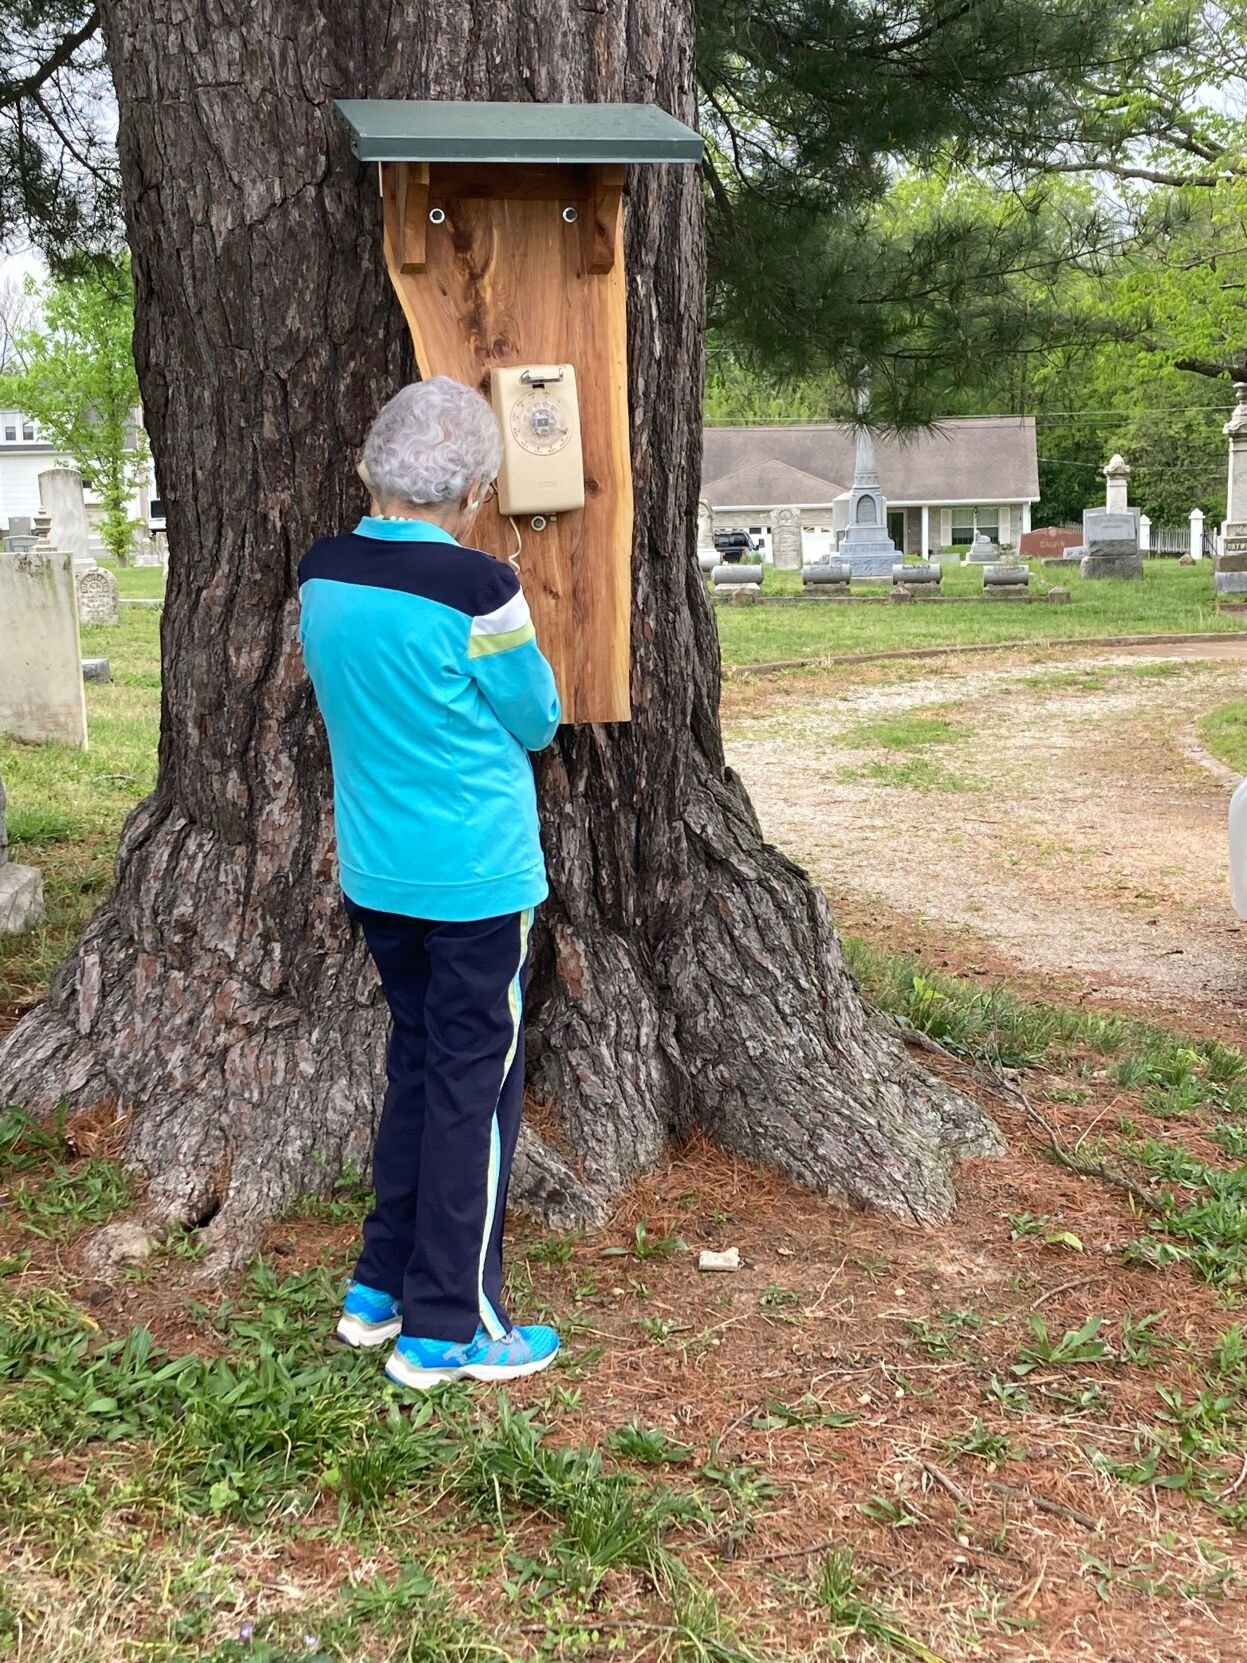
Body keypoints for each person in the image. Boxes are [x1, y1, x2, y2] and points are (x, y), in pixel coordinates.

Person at [298, 376, 562, 1391]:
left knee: (417, 1065)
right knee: (471, 1090)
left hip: (378, 871)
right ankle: (449, 1324)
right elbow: (535, 717)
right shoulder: (477, 589)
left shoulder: (324, 574)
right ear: (474, 492)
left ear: (370, 469)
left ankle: (379, 1287)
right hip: (476, 880)